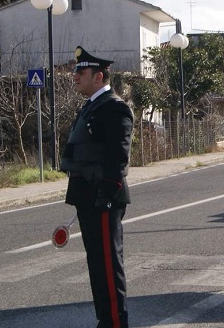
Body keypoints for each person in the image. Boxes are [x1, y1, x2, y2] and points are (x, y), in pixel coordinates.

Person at [61, 45, 133, 328]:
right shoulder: (92, 106)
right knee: (96, 265)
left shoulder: (115, 108)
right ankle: (106, 320)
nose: (75, 76)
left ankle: (116, 322)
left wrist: (106, 192)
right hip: (89, 197)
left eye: (81, 71)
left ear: (99, 76)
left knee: (108, 264)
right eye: (76, 71)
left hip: (104, 198)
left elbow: (118, 155)